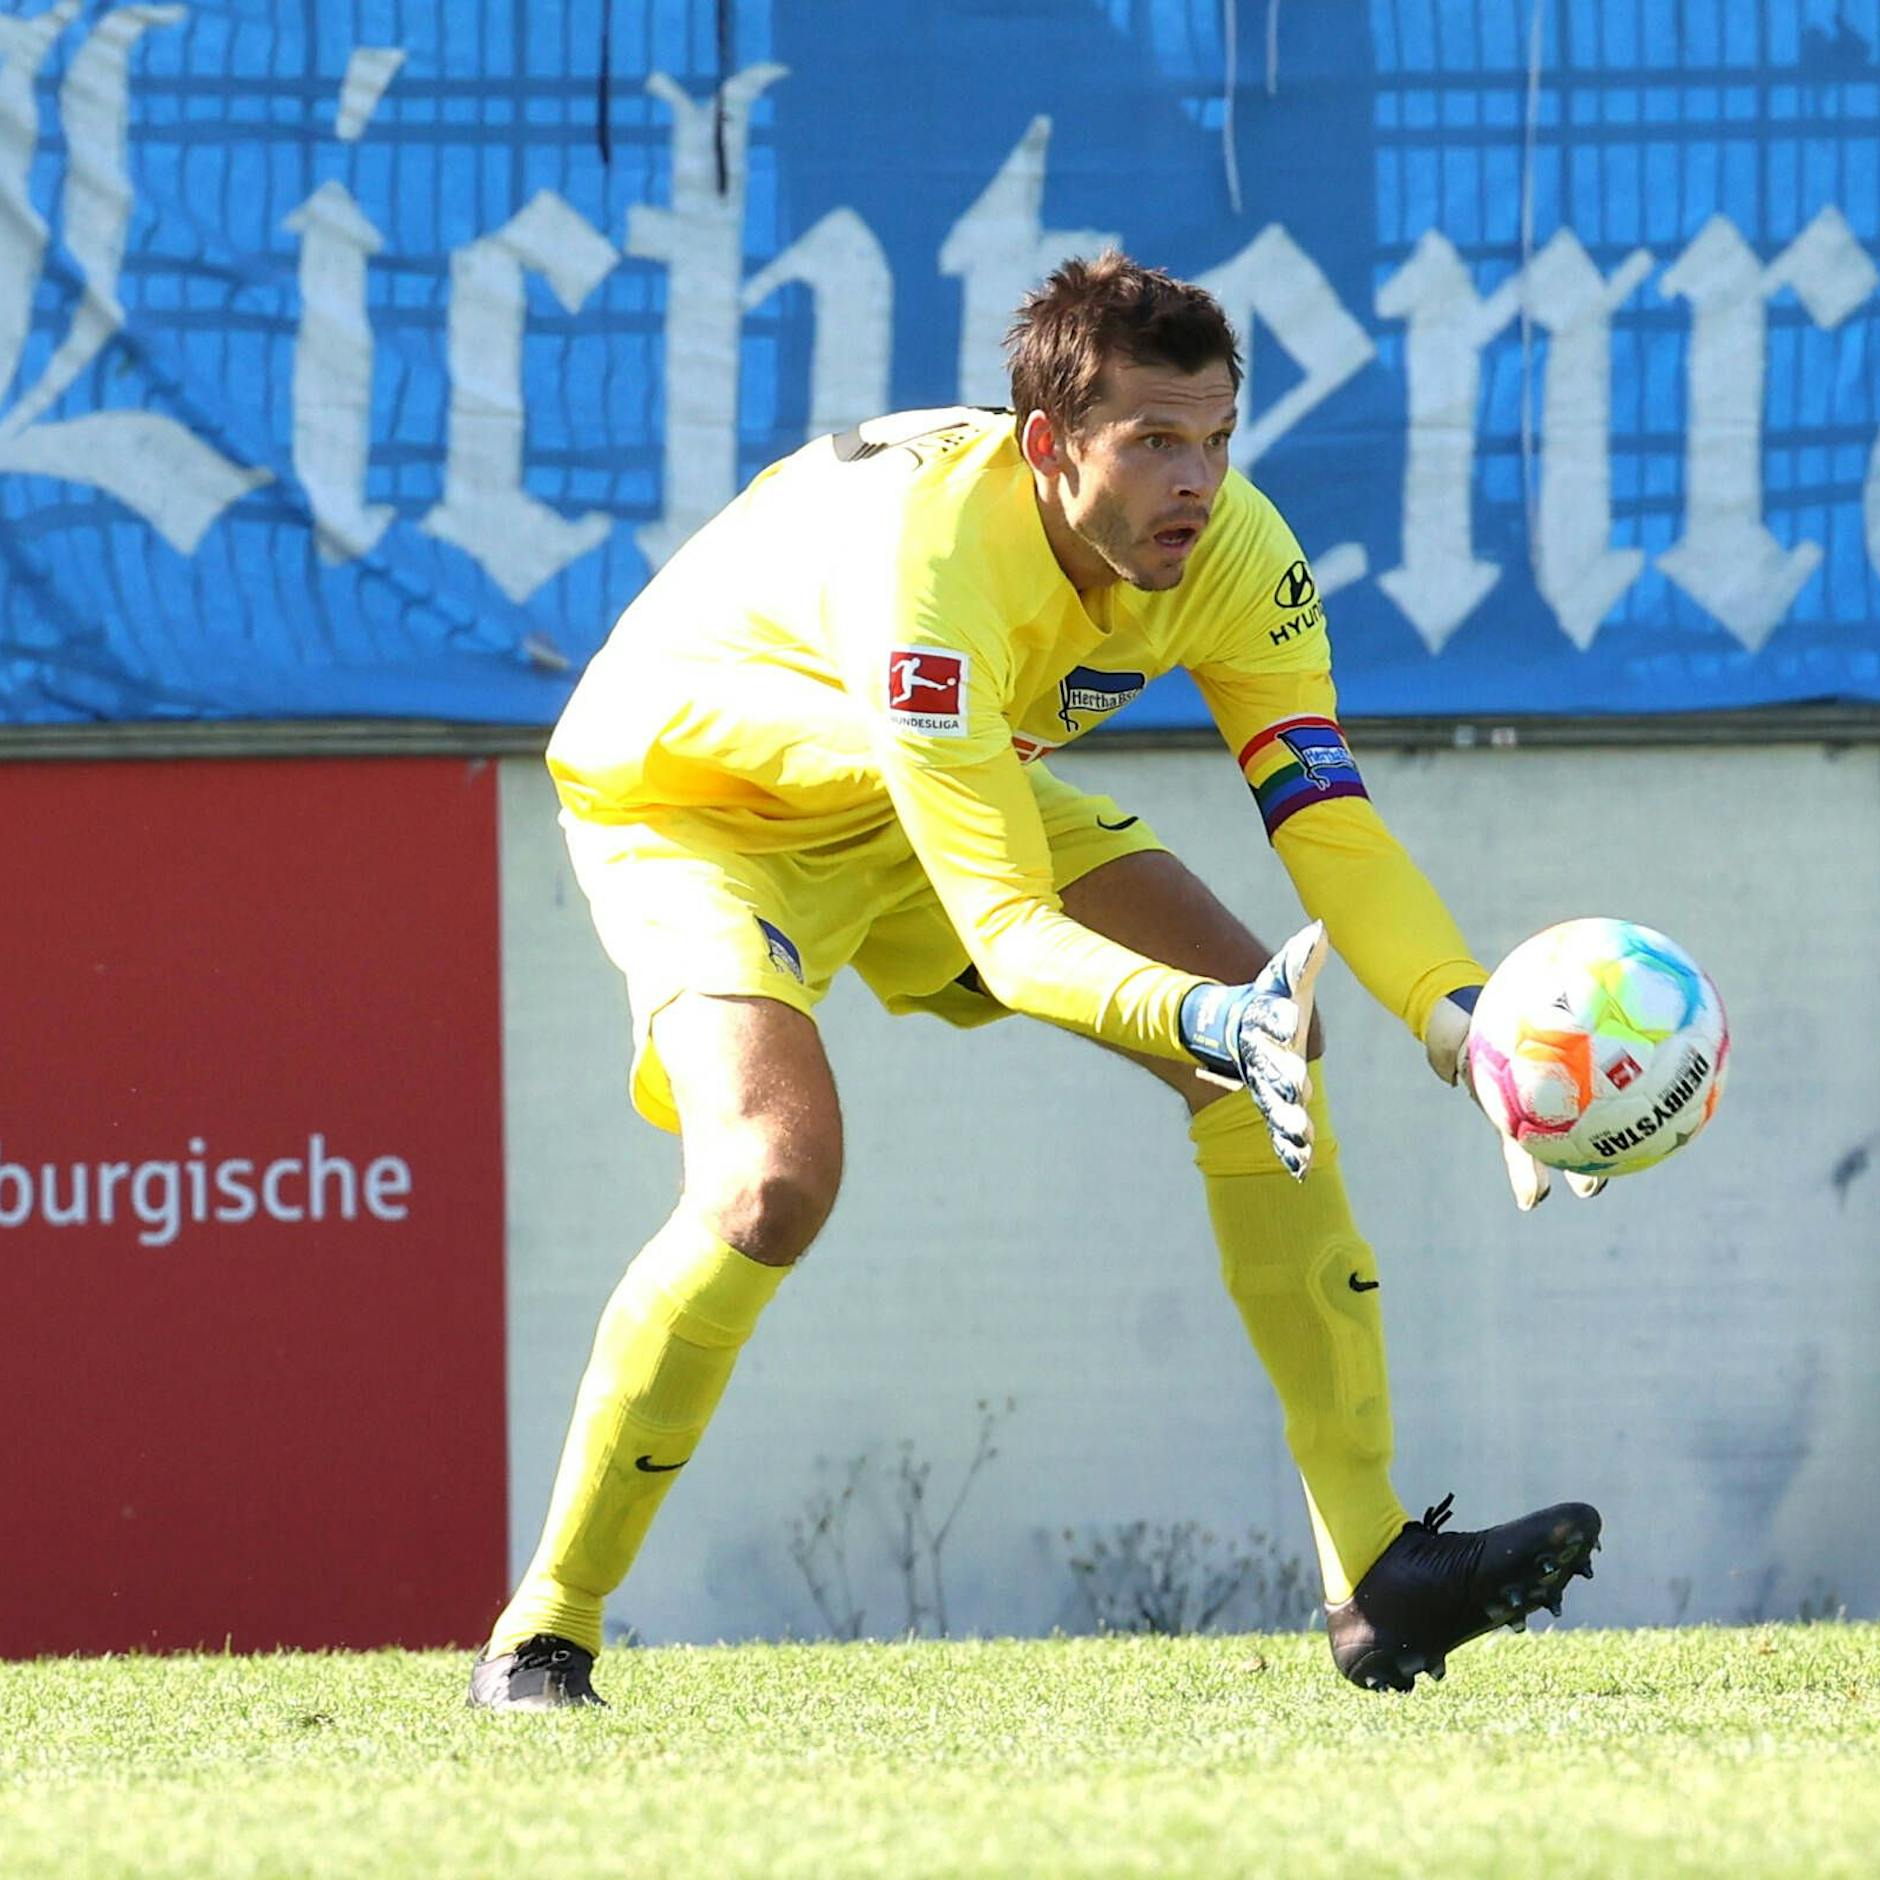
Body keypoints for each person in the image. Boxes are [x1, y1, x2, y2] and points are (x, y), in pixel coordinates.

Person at [470, 252, 1602, 1710]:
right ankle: (544, 1630)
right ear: (1052, 444)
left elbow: (1326, 816)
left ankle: (1375, 1573)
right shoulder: (932, 560)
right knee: (770, 1182)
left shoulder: (1237, 552)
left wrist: (1464, 1019)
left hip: (932, 786)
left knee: (1275, 1043)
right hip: (699, 809)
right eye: (1154, 442)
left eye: (1217, 437)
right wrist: (1213, 1020)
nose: (1197, 481)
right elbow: (1007, 928)